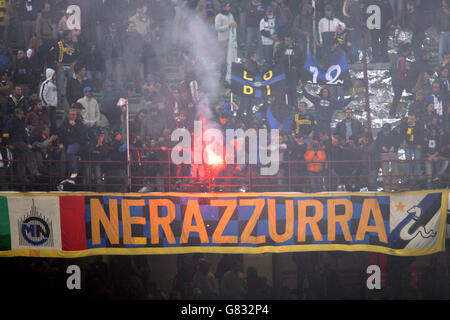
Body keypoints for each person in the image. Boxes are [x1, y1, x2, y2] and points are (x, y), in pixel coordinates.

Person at [6, 108, 41, 184]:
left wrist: (28, 143)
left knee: (20, 160)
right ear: (17, 114)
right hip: (16, 141)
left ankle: (22, 178)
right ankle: (34, 172)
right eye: (21, 114)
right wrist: (9, 143)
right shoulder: (11, 122)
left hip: (20, 141)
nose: (22, 115)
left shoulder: (21, 122)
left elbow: (25, 134)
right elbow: (6, 133)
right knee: (29, 153)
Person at [56, 108, 88, 184]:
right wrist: (60, 143)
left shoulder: (79, 123)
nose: (74, 116)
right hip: (67, 144)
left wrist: (75, 126)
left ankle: (74, 172)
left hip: (78, 143)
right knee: (63, 157)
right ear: (68, 115)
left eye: (75, 115)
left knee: (70, 152)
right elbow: (60, 133)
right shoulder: (65, 123)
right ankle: (65, 178)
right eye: (72, 114)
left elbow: (83, 135)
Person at [395, 113, 425, 186]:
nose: (410, 120)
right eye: (409, 119)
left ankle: (416, 176)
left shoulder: (418, 125)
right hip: (408, 145)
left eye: (412, 119)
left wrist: (420, 144)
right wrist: (402, 143)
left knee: (417, 160)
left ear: (415, 119)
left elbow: (421, 134)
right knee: (408, 160)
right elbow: (402, 134)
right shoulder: (404, 125)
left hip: (416, 145)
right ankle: (407, 176)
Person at [376, 123, 400, 191]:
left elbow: (398, 141)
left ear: (390, 130)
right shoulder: (380, 134)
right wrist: (382, 147)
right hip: (384, 153)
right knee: (385, 170)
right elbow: (378, 142)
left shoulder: (395, 133)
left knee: (395, 169)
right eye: (384, 130)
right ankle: (386, 187)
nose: (385, 132)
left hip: (393, 152)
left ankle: (395, 185)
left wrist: (394, 147)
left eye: (387, 130)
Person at [215, 1, 237, 75]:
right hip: (222, 40)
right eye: (227, 6)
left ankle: (230, 71)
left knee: (230, 56)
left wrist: (234, 24)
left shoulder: (231, 15)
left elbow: (233, 23)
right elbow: (217, 28)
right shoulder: (219, 16)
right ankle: (222, 73)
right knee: (223, 57)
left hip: (230, 39)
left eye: (229, 6)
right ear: (223, 7)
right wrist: (228, 25)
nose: (229, 8)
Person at [389, 43, 410, 117]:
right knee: (410, 91)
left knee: (396, 97)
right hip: (400, 80)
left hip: (394, 80)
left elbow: (390, 69)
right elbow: (403, 69)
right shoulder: (402, 58)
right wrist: (409, 71)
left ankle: (392, 113)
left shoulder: (395, 58)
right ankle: (392, 113)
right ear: (405, 52)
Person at [103, 22, 123, 92]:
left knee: (118, 73)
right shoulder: (106, 37)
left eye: (114, 28)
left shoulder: (119, 37)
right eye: (112, 28)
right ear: (109, 28)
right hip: (109, 58)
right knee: (109, 73)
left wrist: (121, 56)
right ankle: (109, 88)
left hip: (117, 58)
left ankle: (119, 87)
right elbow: (102, 47)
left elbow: (123, 47)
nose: (113, 29)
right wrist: (106, 56)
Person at [38, 68, 57, 134]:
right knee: (47, 123)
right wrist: (46, 104)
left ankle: (52, 138)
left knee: (53, 124)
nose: (55, 76)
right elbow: (42, 95)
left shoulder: (54, 84)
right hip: (47, 107)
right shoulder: (46, 83)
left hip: (53, 106)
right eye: (54, 74)